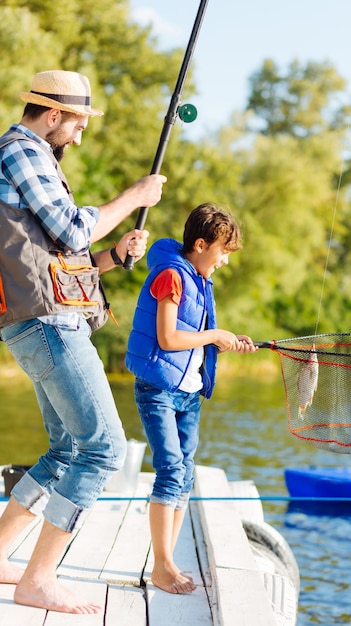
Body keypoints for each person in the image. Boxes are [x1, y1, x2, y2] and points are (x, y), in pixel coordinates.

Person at [0, 70, 166, 614]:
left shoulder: (32, 158)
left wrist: (114, 256)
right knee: (104, 449)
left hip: (46, 319)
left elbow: (59, 259)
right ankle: (38, 579)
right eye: (76, 124)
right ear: (52, 116)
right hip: (48, 326)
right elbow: (72, 230)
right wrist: (133, 197)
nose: (79, 136)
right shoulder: (22, 151)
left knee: (67, 449)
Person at [125, 202, 258, 594]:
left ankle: (168, 562)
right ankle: (162, 565)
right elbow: (168, 339)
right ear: (200, 244)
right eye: (222, 253)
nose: (225, 263)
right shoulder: (172, 276)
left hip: (187, 394)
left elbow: (195, 342)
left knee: (184, 474)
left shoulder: (198, 278)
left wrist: (228, 341)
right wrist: (216, 335)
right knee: (169, 470)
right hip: (159, 391)